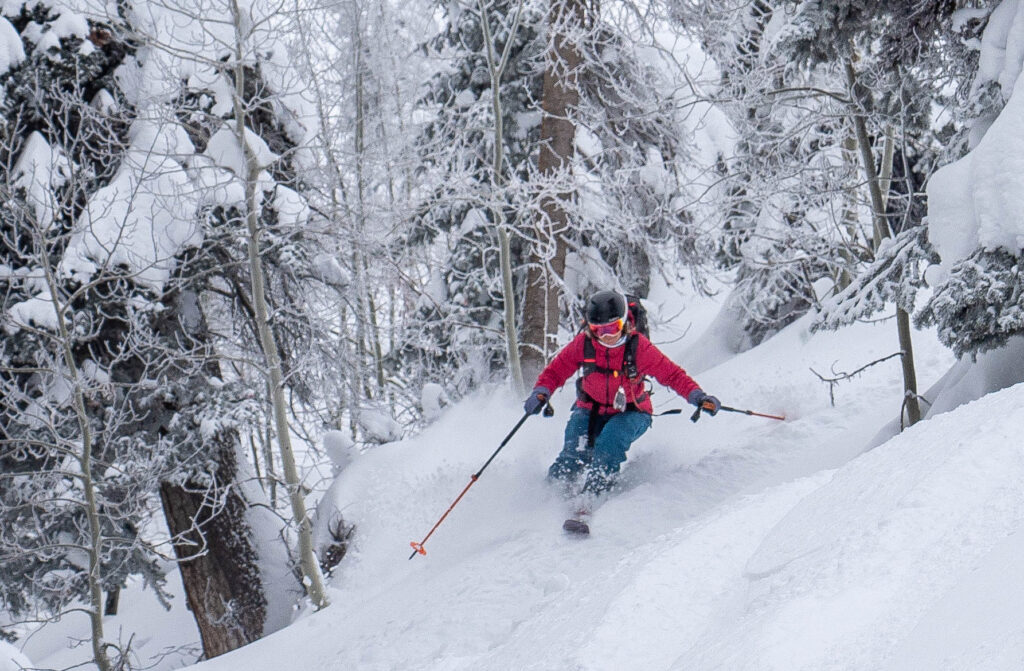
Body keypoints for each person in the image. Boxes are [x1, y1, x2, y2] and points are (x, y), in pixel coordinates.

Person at [523, 290, 720, 495]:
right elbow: (556, 372)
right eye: (599, 330)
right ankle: (547, 495)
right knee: (574, 451)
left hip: (632, 411)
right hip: (590, 409)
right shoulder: (583, 344)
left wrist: (698, 397)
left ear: (624, 323)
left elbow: (672, 375)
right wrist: (541, 392)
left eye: (613, 327)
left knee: (609, 443)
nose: (606, 336)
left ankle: (592, 497)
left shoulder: (639, 348)